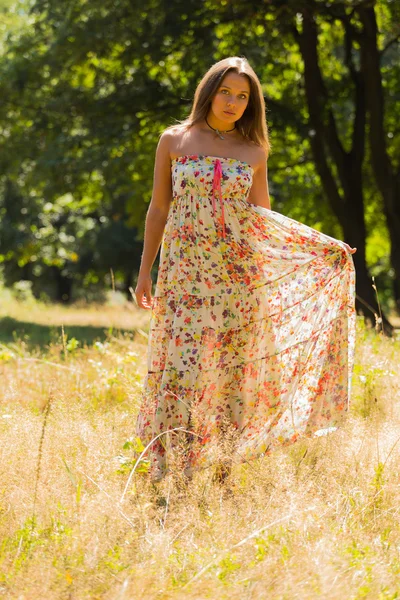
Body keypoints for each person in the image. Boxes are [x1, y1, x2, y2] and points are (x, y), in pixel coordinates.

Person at [134, 56, 356, 483]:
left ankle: (223, 470)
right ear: (209, 90)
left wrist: (319, 247)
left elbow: (263, 216)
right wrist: (146, 270)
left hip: (238, 277)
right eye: (226, 92)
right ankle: (174, 469)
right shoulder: (174, 140)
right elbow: (159, 208)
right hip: (185, 276)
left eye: (243, 96)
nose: (233, 102)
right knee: (184, 367)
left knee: (234, 369)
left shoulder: (254, 150)